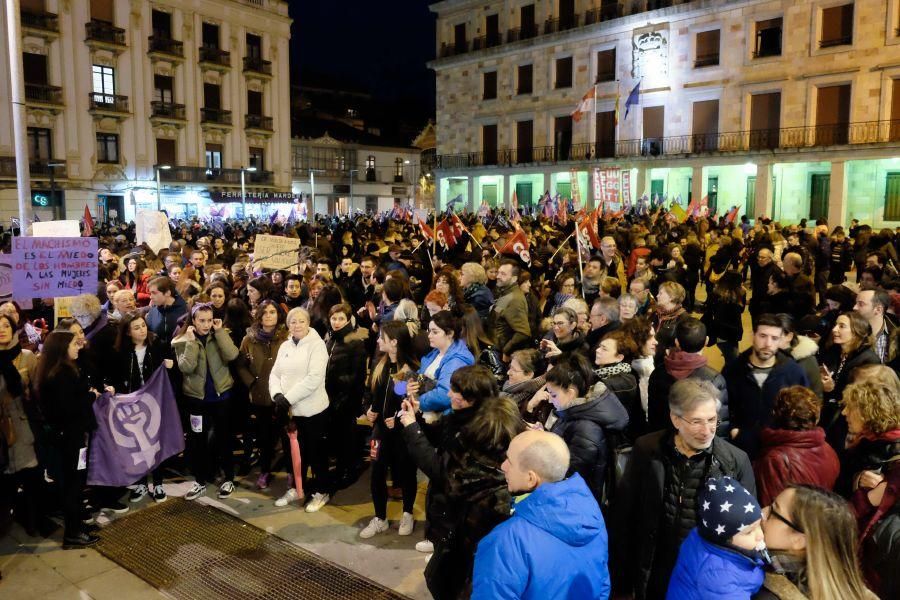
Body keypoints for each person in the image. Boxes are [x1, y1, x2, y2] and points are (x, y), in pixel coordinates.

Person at [612, 378, 755, 600]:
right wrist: (622, 581)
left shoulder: (736, 461)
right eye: (697, 422)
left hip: (701, 575)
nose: (707, 431)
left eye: (712, 420)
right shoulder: (647, 449)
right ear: (675, 419)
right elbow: (625, 515)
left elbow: (747, 530)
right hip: (654, 568)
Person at [399, 366, 524, 599]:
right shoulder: (465, 419)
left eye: (454, 391)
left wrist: (412, 429)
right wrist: (417, 420)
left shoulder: (480, 432)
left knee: (448, 581)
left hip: (459, 522)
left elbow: (443, 473)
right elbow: (443, 438)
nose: (448, 394)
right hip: (453, 520)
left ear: (471, 398)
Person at [471, 430, 611, 600]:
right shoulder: (592, 517)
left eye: (510, 461)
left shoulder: (505, 541)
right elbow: (602, 585)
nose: (503, 466)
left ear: (531, 479)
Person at [36, 331, 110, 548]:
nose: (79, 346)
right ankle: (73, 533)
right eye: (73, 344)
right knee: (73, 485)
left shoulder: (62, 371)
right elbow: (68, 408)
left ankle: (78, 525)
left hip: (73, 436)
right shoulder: (60, 375)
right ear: (61, 348)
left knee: (77, 483)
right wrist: (91, 396)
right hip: (70, 438)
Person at [756, 485, 876, 600]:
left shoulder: (761, 591)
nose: (762, 512)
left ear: (799, 541)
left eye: (773, 511)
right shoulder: (846, 591)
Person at [172, 303, 240, 501]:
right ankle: (200, 481)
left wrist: (219, 333)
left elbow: (232, 354)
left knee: (224, 438)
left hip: (221, 397)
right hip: (196, 400)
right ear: (193, 321)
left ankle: (228, 478)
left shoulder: (219, 334)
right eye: (201, 320)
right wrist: (192, 342)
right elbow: (186, 367)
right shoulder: (181, 340)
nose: (206, 324)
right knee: (198, 440)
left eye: (209, 320)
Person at [359, 321, 419, 539]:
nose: (377, 340)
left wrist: (396, 417)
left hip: (402, 433)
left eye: (381, 338)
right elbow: (369, 392)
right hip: (380, 432)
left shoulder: (408, 371)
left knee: (406, 473)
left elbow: (408, 401)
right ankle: (380, 518)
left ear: (394, 342)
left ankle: (408, 513)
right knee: (376, 473)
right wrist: (368, 410)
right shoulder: (379, 364)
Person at [269, 307, 333, 513]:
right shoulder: (285, 346)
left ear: (308, 324)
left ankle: (322, 490)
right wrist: (277, 395)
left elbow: (314, 379)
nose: (297, 325)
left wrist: (287, 398)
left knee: (316, 454)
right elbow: (275, 374)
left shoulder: (317, 346)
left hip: (312, 411)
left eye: (301, 321)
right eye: (293, 322)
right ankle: (297, 488)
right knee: (292, 454)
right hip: (289, 412)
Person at [841, 381, 900, 598]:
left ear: (868, 411)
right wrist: (858, 480)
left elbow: (874, 502)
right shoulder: (867, 443)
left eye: (850, 407)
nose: (845, 412)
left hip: (877, 555)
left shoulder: (892, 450)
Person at [666, 476, 766, 599]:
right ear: (724, 537)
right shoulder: (718, 577)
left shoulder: (706, 534)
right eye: (749, 532)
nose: (760, 535)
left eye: (759, 525)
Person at [546, 354, 628, 504]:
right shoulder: (574, 413)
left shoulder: (586, 428)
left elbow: (569, 474)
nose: (550, 399)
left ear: (571, 392)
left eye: (553, 394)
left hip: (576, 501)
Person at [110, 312, 175, 503]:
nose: (142, 330)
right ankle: (140, 483)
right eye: (136, 327)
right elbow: (116, 377)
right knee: (135, 446)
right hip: (130, 405)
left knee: (155, 444)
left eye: (144, 326)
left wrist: (171, 366)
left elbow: (171, 370)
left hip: (154, 403)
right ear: (128, 332)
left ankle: (158, 483)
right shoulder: (120, 351)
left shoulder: (157, 345)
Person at [723, 314, 809, 457]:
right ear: (753, 335)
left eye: (774, 338)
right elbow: (721, 409)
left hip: (779, 453)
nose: (768, 343)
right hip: (741, 452)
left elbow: (805, 413)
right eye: (763, 336)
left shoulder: (794, 372)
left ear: (780, 340)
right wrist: (734, 431)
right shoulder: (732, 370)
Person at [752, 386, 840, 507]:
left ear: (775, 414)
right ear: (816, 418)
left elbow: (771, 509)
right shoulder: (830, 451)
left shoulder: (775, 460)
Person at [235, 299, 288, 491]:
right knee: (265, 438)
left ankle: (291, 472)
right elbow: (240, 365)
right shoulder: (249, 339)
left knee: (286, 436)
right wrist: (252, 384)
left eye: (272, 312)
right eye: (264, 312)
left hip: (284, 395)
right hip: (260, 396)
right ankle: (265, 471)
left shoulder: (287, 336)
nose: (268, 316)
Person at [0, 314, 44, 536]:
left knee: (31, 478)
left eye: (6, 325)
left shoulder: (26, 356)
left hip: (23, 427)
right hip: (2, 431)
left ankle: (32, 521)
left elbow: (37, 392)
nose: (2, 330)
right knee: (5, 483)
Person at [648, 317, 729, 436]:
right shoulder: (714, 378)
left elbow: (654, 416)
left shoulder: (658, 373)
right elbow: (720, 422)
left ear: (676, 342)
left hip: (666, 441)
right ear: (706, 341)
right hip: (699, 440)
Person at [818, 311, 879, 451]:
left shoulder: (869, 360)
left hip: (850, 421)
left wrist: (833, 389)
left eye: (841, 326)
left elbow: (865, 397)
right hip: (829, 415)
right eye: (835, 325)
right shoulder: (832, 351)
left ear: (857, 331)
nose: (834, 329)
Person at [324, 303, 369, 487]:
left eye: (341, 318)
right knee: (336, 436)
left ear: (349, 319)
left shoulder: (354, 342)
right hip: (330, 398)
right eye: (334, 318)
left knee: (346, 438)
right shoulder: (330, 339)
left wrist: (336, 383)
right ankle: (341, 467)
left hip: (346, 399)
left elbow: (357, 377)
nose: (336, 322)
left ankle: (348, 471)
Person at [409, 310, 475, 414]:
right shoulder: (436, 352)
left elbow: (444, 395)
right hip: (426, 413)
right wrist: (408, 387)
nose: (429, 335)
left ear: (450, 333)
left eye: (435, 332)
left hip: (440, 420)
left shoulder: (457, 361)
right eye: (429, 330)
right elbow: (418, 379)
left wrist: (416, 401)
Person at [594, 328, 643, 440]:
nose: (598, 350)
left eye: (604, 349)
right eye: (600, 346)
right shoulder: (605, 373)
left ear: (619, 357)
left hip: (615, 440)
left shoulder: (620, 381)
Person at [774, 313, 823, 400]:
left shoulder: (807, 360)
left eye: (775, 337)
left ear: (789, 336)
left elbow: (817, 396)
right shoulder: (767, 357)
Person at [489, 259, 532, 359]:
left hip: (503, 356)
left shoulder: (514, 299)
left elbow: (523, 332)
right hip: (496, 349)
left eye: (503, 274)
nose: (498, 276)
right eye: (498, 272)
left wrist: (506, 351)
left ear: (514, 278)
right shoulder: (505, 293)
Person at [703, 271, 746, 364]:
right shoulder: (729, 300)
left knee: (731, 359)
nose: (742, 283)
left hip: (722, 335)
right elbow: (740, 310)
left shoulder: (717, 294)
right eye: (740, 282)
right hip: (727, 336)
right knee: (733, 363)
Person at [853, 288, 897, 364]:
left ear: (878, 310)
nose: (854, 307)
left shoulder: (896, 334)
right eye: (855, 303)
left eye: (861, 304)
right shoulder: (850, 331)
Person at [651, 281, 689, 362]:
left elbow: (683, 348)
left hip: (666, 361)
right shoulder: (656, 313)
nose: (657, 296)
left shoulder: (683, 319)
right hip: (651, 357)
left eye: (661, 293)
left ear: (671, 297)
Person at [146, 276, 188, 342]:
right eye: (150, 293)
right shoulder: (153, 311)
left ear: (167, 293)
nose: (150, 297)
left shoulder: (185, 311)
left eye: (154, 293)